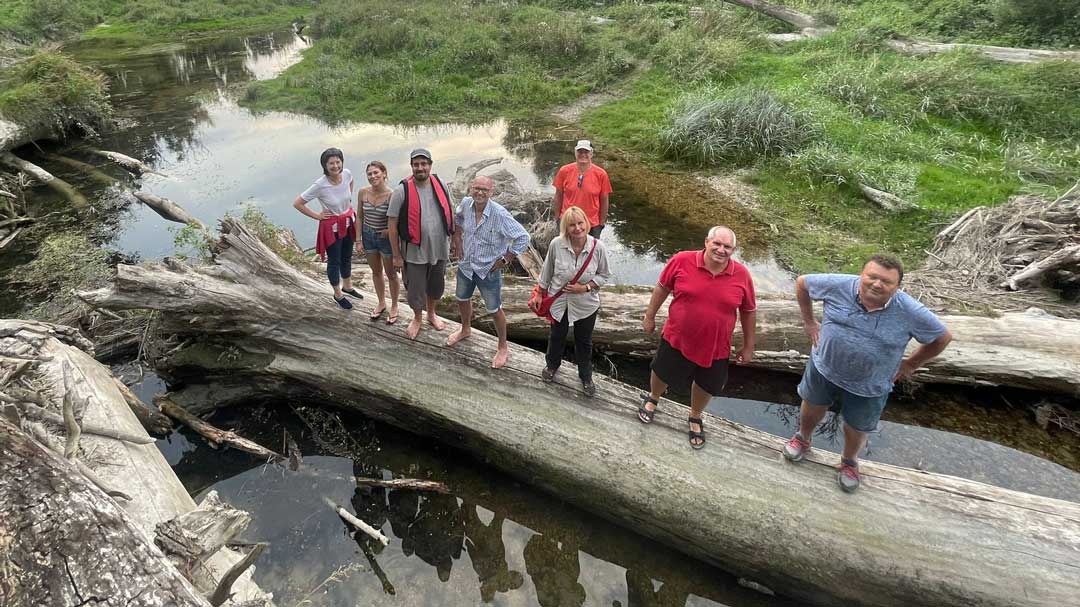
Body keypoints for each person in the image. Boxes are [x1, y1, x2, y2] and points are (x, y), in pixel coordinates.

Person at [782, 254, 953, 492]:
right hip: (824, 367)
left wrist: (910, 365)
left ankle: (849, 462)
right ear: (861, 275)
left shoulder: (910, 310)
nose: (877, 284)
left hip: (871, 383)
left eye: (886, 281)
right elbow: (802, 283)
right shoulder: (838, 284)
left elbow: (942, 337)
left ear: (897, 287)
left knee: (857, 425)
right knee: (812, 405)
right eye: (872, 277)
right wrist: (809, 323)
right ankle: (803, 438)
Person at [639, 226, 757, 450]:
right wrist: (649, 316)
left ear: (733, 250)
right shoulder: (682, 260)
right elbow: (662, 288)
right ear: (706, 242)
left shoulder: (742, 275)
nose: (721, 250)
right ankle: (653, 397)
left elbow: (749, 311)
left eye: (727, 247)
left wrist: (749, 345)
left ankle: (695, 415)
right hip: (677, 336)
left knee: (707, 383)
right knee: (661, 370)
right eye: (717, 244)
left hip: (716, 346)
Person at [447, 175, 530, 369]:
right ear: (470, 189)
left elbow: (523, 237)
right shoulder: (466, 204)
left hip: (488, 270)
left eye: (485, 189)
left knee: (494, 309)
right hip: (466, 265)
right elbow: (457, 217)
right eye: (476, 188)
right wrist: (457, 237)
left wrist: (506, 259)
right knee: (461, 298)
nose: (480, 192)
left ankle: (503, 347)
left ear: (491, 192)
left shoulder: (499, 214)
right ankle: (465, 329)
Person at [529, 206, 610, 397]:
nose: (577, 228)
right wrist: (539, 294)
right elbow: (547, 271)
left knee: (584, 341)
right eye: (572, 225)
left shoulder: (598, 247)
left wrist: (586, 287)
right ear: (566, 227)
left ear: (586, 223)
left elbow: (604, 275)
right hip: (559, 303)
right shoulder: (557, 244)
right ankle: (552, 366)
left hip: (586, 304)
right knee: (557, 335)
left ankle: (585, 376)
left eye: (580, 223)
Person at [387, 148, 455, 340]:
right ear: (411, 167)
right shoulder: (402, 190)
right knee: (415, 289)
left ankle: (431, 313)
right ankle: (417, 317)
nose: (420, 168)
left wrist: (456, 240)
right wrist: (396, 255)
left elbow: (450, 210)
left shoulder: (440, 184)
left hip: (439, 248)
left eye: (424, 164)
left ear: (430, 165)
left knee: (436, 285)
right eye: (416, 164)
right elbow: (392, 225)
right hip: (414, 252)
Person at [293, 147, 362, 309]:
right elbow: (298, 203)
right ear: (325, 166)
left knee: (346, 257)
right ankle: (337, 294)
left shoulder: (347, 174)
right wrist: (317, 216)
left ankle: (348, 286)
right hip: (332, 228)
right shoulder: (320, 185)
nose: (336, 166)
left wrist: (347, 199)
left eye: (338, 162)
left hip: (348, 222)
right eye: (331, 163)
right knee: (334, 261)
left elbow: (351, 182)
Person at [357, 160, 400, 324]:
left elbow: (398, 221)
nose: (373, 176)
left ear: (384, 174)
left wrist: (389, 232)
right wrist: (358, 240)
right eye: (370, 174)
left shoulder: (392, 195)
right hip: (368, 236)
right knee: (376, 272)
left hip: (386, 239)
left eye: (376, 173)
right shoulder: (362, 192)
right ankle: (381, 302)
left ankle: (395, 305)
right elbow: (359, 217)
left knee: (391, 273)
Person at [551, 140, 612, 239]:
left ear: (591, 153)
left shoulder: (601, 174)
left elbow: (604, 200)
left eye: (586, 152)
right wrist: (558, 218)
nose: (583, 154)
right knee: (566, 252)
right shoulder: (564, 171)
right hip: (568, 223)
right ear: (575, 153)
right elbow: (558, 195)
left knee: (590, 253)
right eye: (580, 151)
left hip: (592, 225)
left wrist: (601, 224)